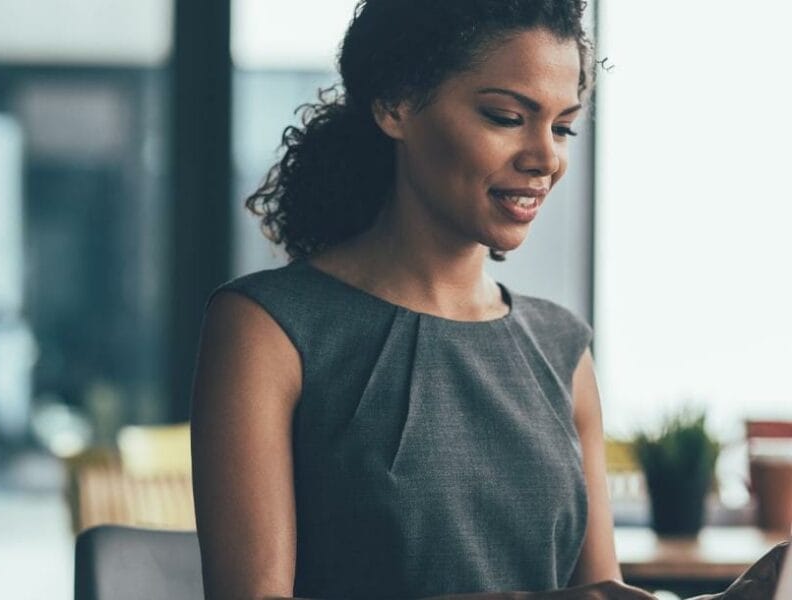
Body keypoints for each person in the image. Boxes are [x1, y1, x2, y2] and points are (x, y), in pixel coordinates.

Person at [190, 1, 786, 599]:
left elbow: (599, 592)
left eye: (563, 127)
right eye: (506, 116)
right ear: (395, 103)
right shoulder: (266, 329)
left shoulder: (562, 347)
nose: (546, 158)